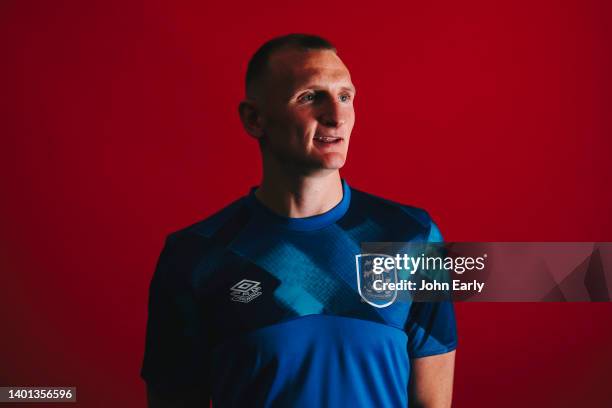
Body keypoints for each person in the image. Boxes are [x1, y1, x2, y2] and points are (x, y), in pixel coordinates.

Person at [141, 33, 457, 408]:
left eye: (345, 96)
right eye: (310, 97)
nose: (336, 116)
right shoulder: (196, 256)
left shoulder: (413, 238)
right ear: (254, 119)